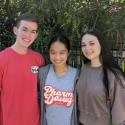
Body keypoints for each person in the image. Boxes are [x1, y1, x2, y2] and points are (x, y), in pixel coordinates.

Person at [0, 13, 45, 125]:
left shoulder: (38, 59)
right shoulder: (2, 58)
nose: (28, 35)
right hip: (9, 121)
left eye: (33, 31)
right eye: (24, 29)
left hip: (34, 121)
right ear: (15, 30)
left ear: (36, 35)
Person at [76, 29, 125, 125]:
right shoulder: (84, 68)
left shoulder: (114, 75)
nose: (87, 48)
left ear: (101, 44)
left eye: (91, 43)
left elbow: (119, 112)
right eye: (83, 45)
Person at [38, 34, 79, 125]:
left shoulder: (76, 75)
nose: (57, 57)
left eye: (62, 52)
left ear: (68, 53)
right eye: (53, 52)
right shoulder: (42, 73)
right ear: (49, 52)